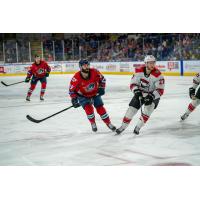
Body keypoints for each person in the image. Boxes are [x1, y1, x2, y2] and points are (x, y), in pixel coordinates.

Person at [116, 55, 165, 135]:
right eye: (150, 63)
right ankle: (122, 127)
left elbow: (160, 90)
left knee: (147, 112)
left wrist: (151, 97)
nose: (152, 65)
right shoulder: (138, 71)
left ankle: (138, 127)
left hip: (153, 95)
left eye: (153, 62)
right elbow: (133, 84)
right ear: (146, 63)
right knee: (131, 110)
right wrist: (137, 92)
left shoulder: (158, 75)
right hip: (141, 92)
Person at [69, 59, 116, 132]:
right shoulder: (76, 77)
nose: (87, 67)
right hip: (83, 96)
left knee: (100, 108)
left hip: (95, 93)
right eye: (85, 66)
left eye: (88, 65)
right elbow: (71, 90)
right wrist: (74, 99)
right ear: (80, 67)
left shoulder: (94, 72)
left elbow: (102, 79)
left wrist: (101, 88)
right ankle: (92, 123)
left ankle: (108, 123)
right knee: (89, 109)